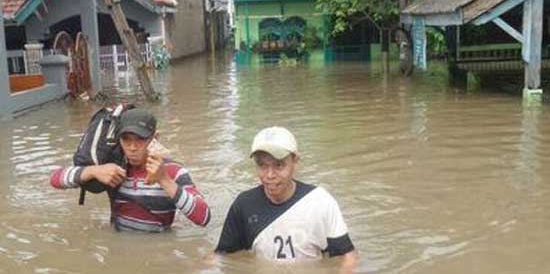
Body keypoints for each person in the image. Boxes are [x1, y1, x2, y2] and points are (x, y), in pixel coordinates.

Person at [215, 126, 358, 271]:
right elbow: (223, 258)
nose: (270, 175)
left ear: (295, 161)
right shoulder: (244, 205)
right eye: (262, 165)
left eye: (279, 165)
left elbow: (347, 257)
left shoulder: (320, 201)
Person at [50, 108, 211, 232]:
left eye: (140, 140)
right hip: (118, 251)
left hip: (157, 256)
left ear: (155, 138)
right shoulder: (114, 168)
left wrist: (164, 180)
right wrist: (93, 171)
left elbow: (203, 217)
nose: (132, 148)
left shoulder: (173, 171)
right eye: (126, 140)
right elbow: (55, 179)